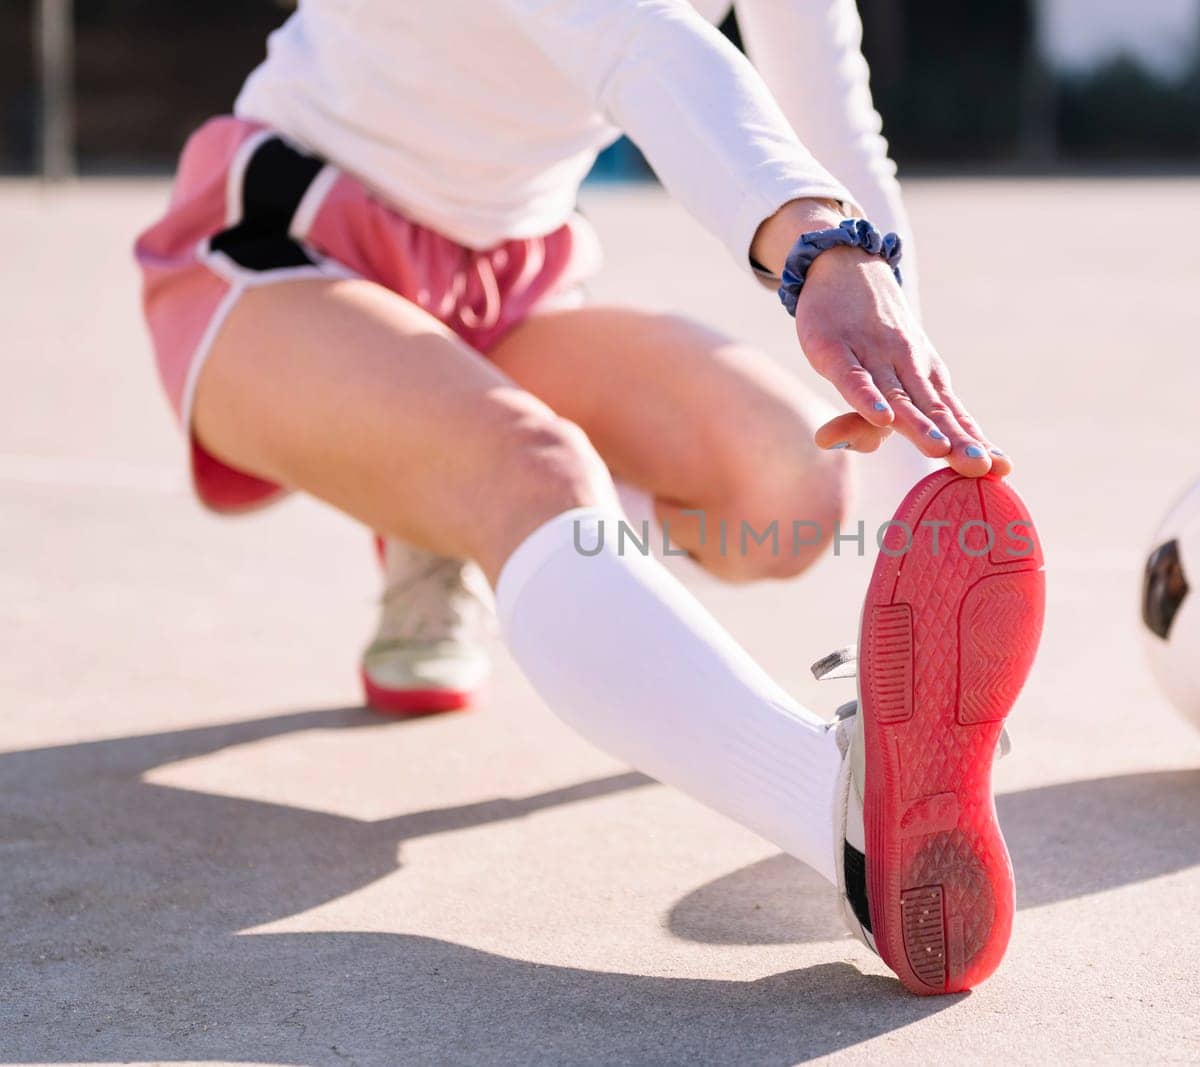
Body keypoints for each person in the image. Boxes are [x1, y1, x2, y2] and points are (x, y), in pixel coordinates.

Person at [133, 0, 1046, 995]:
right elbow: (638, 40)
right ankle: (845, 824)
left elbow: (831, 126)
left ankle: (444, 511)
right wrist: (813, 248)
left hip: (504, 292)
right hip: (279, 254)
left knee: (792, 476)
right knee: (531, 468)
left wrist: (924, 486)